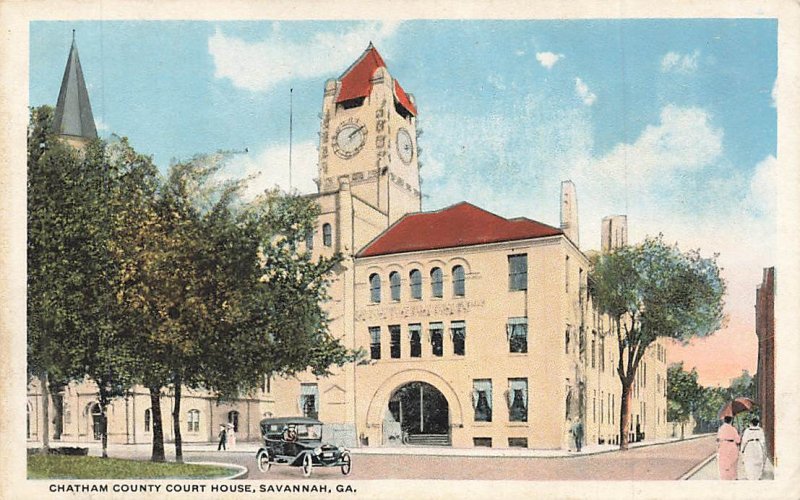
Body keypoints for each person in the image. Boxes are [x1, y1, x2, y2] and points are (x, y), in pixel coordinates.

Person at [716, 415, 741, 480]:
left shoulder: (721, 429)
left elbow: (718, 440)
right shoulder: (733, 429)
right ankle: (733, 478)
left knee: (724, 465)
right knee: (733, 465)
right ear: (731, 421)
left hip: (723, 447)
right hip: (732, 447)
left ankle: (724, 479)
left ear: (724, 420)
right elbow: (738, 440)